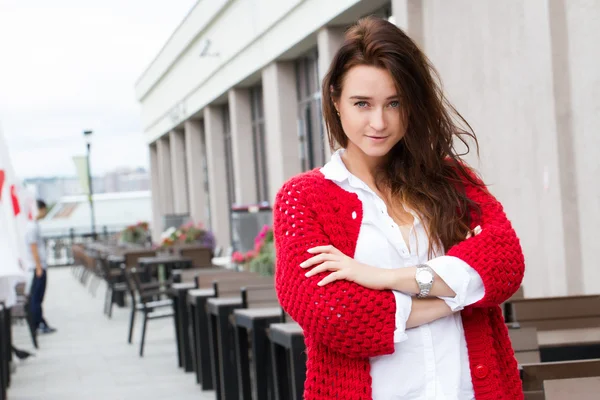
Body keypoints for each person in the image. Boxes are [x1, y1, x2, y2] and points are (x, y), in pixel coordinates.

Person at [273, 17, 525, 400]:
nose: (379, 122)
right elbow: (338, 319)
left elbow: (505, 263)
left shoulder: (450, 179)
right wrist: (457, 292)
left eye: (394, 103)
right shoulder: (303, 199)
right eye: (362, 104)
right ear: (336, 101)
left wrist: (379, 277)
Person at [24, 199, 56, 334]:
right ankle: (38, 324)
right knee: (37, 297)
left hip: (39, 266)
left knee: (38, 297)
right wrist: (38, 267)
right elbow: (33, 248)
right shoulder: (31, 226)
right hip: (37, 267)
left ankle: (39, 322)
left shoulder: (33, 224)